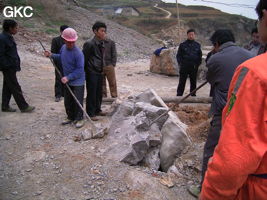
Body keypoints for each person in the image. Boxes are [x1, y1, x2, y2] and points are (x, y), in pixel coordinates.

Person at [200, 1, 267, 199]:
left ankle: (201, 184)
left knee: (211, 150)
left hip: (226, 111)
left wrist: (211, 194)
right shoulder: (247, 54)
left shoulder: (254, 72)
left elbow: (234, 159)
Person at [45, 28, 85, 128]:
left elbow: (80, 70)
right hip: (67, 79)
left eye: (73, 42)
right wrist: (51, 55)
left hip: (77, 81)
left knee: (77, 100)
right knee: (68, 100)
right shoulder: (63, 48)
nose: (71, 44)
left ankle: (79, 118)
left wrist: (69, 77)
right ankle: (70, 116)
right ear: (64, 40)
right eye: (68, 42)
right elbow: (61, 57)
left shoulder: (78, 53)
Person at [0, 19, 35, 113]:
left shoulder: (8, 37)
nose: (17, 29)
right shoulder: (2, 38)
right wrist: (7, 65)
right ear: (10, 28)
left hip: (11, 66)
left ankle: (5, 106)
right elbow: (1, 55)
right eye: (15, 28)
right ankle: (24, 107)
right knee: (15, 87)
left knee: (7, 86)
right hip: (8, 67)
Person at [83, 21, 108, 121]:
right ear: (95, 31)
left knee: (99, 92)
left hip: (99, 71)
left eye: (104, 31)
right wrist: (86, 72)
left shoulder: (101, 43)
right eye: (102, 31)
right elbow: (84, 59)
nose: (104, 33)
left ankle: (98, 110)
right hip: (91, 72)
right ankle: (90, 113)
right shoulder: (89, 44)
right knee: (92, 93)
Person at [176, 29, 202, 96]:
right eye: (189, 34)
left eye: (192, 35)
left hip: (194, 67)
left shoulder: (197, 45)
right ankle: (179, 94)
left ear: (194, 35)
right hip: (184, 66)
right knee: (182, 81)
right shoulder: (182, 45)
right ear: (187, 35)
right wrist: (180, 64)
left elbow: (200, 56)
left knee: (193, 82)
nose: (191, 36)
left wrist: (197, 64)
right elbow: (178, 55)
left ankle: (193, 94)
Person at [51, 25, 69, 102]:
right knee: (58, 78)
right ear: (61, 31)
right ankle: (58, 95)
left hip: (68, 63)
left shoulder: (69, 40)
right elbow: (53, 52)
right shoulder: (55, 40)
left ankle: (65, 94)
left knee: (66, 78)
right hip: (58, 62)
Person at [101, 28, 117, 98]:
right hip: (100, 66)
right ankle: (103, 96)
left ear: (106, 34)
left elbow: (114, 54)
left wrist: (113, 64)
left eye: (104, 33)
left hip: (109, 65)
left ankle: (114, 96)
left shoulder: (111, 42)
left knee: (112, 82)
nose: (103, 35)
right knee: (102, 83)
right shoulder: (98, 43)